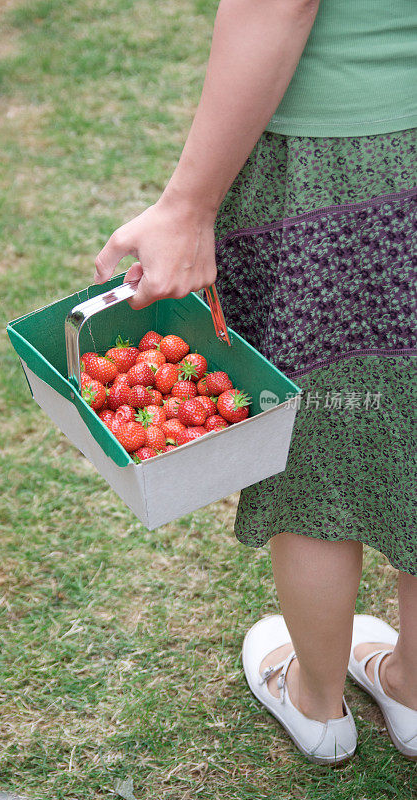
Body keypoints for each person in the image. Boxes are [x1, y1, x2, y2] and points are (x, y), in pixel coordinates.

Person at [94, 0, 417, 764]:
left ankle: (317, 700)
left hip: (343, 159)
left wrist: (188, 204)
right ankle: (411, 686)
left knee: (316, 437)